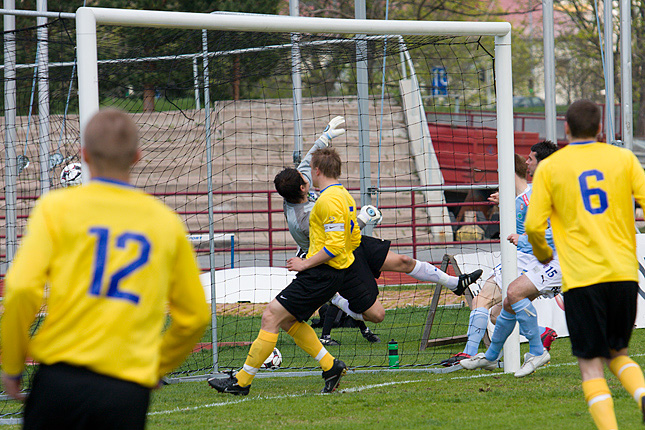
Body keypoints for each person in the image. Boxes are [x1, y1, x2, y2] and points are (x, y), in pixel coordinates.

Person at [0, 108, 210, 429]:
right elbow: (195, 315)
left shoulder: (54, 208)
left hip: (59, 379)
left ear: (84, 155)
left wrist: (13, 363)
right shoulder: (165, 222)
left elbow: (20, 290)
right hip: (124, 389)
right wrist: (157, 365)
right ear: (137, 157)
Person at [273, 116, 482, 344]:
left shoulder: (299, 185)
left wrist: (327, 136)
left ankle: (456, 284)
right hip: (334, 258)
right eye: (308, 175)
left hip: (352, 242)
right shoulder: (304, 219)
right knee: (377, 315)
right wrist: (363, 219)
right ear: (303, 188)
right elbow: (336, 241)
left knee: (403, 261)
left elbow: (310, 159)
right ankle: (337, 300)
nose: (311, 173)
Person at [525, 99, 645, 429]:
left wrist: (543, 254)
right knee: (617, 352)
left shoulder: (551, 167)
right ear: (600, 128)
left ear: (566, 128)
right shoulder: (623, 158)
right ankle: (642, 394)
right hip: (623, 274)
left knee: (591, 365)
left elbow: (534, 226)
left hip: (582, 278)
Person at [208, 147, 360, 396]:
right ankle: (331, 366)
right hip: (328, 271)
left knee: (270, 316)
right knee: (288, 320)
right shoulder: (343, 195)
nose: (308, 173)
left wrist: (306, 262)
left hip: (321, 272)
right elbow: (353, 238)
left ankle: (242, 382)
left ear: (317, 170)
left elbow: (334, 245)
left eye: (311, 168)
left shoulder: (327, 201)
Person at [439, 151, 558, 367]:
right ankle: (540, 334)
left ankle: (470, 353)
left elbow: (541, 230)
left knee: (481, 299)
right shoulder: (521, 197)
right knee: (498, 314)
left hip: (525, 260)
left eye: (498, 171)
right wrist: (505, 203)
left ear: (506, 171)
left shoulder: (529, 199)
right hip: (531, 262)